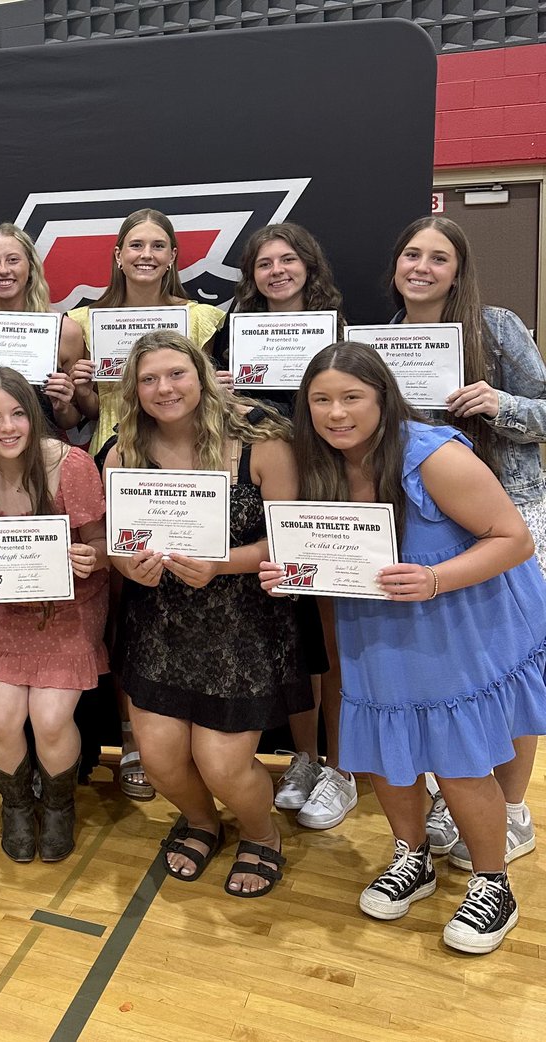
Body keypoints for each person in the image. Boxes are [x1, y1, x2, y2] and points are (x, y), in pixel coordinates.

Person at [262, 342, 546, 953]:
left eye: (351, 398)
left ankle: (493, 882)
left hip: (457, 616)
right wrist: (291, 573)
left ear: (383, 397)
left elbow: (514, 539)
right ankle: (411, 855)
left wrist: (435, 578)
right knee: (389, 752)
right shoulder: (318, 466)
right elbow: (326, 555)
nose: (336, 413)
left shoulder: (434, 456)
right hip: (377, 626)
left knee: (458, 757)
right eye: (321, 401)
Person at [108, 330, 308, 897]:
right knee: (162, 763)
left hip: (242, 626)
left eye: (176, 374)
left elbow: (291, 541)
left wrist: (222, 564)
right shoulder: (125, 451)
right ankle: (200, 823)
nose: (164, 388)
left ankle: (261, 834)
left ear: (202, 376)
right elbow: (120, 546)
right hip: (161, 626)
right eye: (149, 379)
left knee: (222, 764)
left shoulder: (262, 442)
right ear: (134, 389)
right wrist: (131, 568)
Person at [388, 215, 546, 872]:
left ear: (458, 270)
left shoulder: (497, 325)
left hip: (508, 517)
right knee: (458, 672)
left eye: (438, 257)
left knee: (510, 670)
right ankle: (461, 795)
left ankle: (510, 810)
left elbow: (543, 412)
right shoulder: (383, 339)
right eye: (411, 253)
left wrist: (499, 403)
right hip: (427, 530)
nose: (421, 266)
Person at [69, 209, 228, 801]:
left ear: (173, 256)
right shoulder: (84, 321)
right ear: (117, 253)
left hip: (191, 464)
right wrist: (80, 389)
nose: (145, 254)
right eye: (134, 244)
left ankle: (203, 732)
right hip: (119, 459)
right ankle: (134, 737)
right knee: (122, 608)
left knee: (196, 593)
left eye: (157, 245)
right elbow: (78, 413)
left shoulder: (205, 318)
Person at [0, 367, 108, 861]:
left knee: (51, 719)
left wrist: (90, 557)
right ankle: (14, 805)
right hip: (3, 609)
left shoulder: (70, 465)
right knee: (1, 714)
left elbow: (98, 545)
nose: (7, 427)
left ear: (33, 418)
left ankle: (57, 804)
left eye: (17, 415)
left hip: (70, 605)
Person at [210, 223, 345, 830]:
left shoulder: (338, 331)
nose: (277, 271)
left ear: (308, 266)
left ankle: (341, 766)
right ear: (251, 275)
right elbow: (207, 396)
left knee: (332, 635)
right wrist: (223, 390)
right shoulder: (232, 331)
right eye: (265, 263)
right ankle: (306, 759)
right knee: (295, 632)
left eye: (288, 260)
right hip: (262, 494)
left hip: (331, 491)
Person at [0, 224, 86, 435]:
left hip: (43, 455)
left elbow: (71, 420)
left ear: (30, 267)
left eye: (13, 260)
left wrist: (63, 406)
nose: (3, 270)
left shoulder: (65, 331)